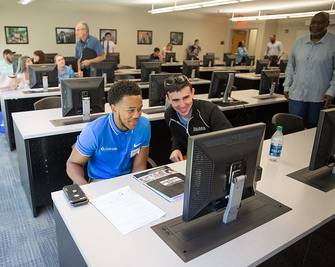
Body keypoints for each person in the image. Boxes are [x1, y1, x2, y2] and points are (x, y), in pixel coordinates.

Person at [66, 81, 151, 185]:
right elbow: (73, 163)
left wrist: (135, 187)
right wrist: (85, 188)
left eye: (139, 109)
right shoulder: (94, 131)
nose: (137, 115)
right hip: (101, 182)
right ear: (114, 108)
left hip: (128, 179)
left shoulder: (144, 125)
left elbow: (139, 167)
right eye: (131, 110)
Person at [283, 12, 335, 128]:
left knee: (314, 128)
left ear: (327, 24)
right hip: (296, 94)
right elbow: (291, 66)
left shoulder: (333, 43)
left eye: (320, 23)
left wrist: (331, 91)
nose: (316, 25)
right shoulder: (299, 42)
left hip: (319, 96)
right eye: (313, 22)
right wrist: (287, 86)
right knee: (294, 127)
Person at [164, 75, 232, 162]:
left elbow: (229, 140)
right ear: (168, 99)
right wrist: (176, 149)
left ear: (193, 93)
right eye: (176, 100)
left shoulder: (210, 110)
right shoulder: (169, 114)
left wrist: (196, 158)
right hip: (189, 163)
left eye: (186, 97)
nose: (182, 105)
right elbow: (177, 136)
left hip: (215, 161)